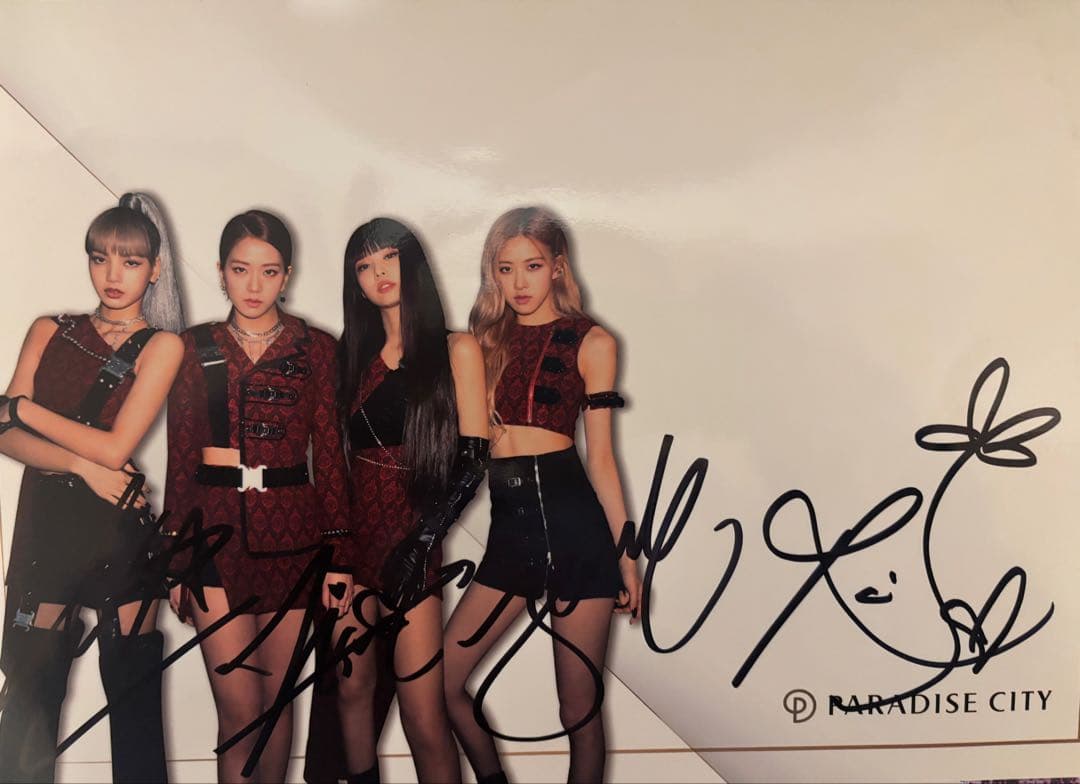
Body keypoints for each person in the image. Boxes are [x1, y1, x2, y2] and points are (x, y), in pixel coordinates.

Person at [443, 206, 642, 784]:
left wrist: (628, 556)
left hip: (578, 532)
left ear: (557, 266)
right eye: (505, 269)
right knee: (440, 681)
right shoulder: (481, 343)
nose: (519, 282)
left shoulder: (593, 340)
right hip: (512, 533)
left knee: (578, 710)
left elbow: (601, 459)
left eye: (532, 266)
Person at [164, 209, 356, 783]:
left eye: (269, 271)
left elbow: (331, 456)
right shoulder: (192, 347)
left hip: (294, 541)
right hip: (212, 540)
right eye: (240, 269)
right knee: (240, 714)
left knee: (275, 711)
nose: (253, 285)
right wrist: (174, 557)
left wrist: (340, 555)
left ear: (287, 275)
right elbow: (181, 456)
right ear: (221, 271)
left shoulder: (317, 348)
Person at [0, 192, 185, 783]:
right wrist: (79, 466)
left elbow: (114, 448)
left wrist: (21, 407)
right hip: (47, 527)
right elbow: (5, 437)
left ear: (154, 269)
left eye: (131, 261)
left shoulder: (163, 345)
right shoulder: (48, 329)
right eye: (100, 258)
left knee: (133, 704)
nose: (113, 274)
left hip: (116, 534)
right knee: (28, 700)